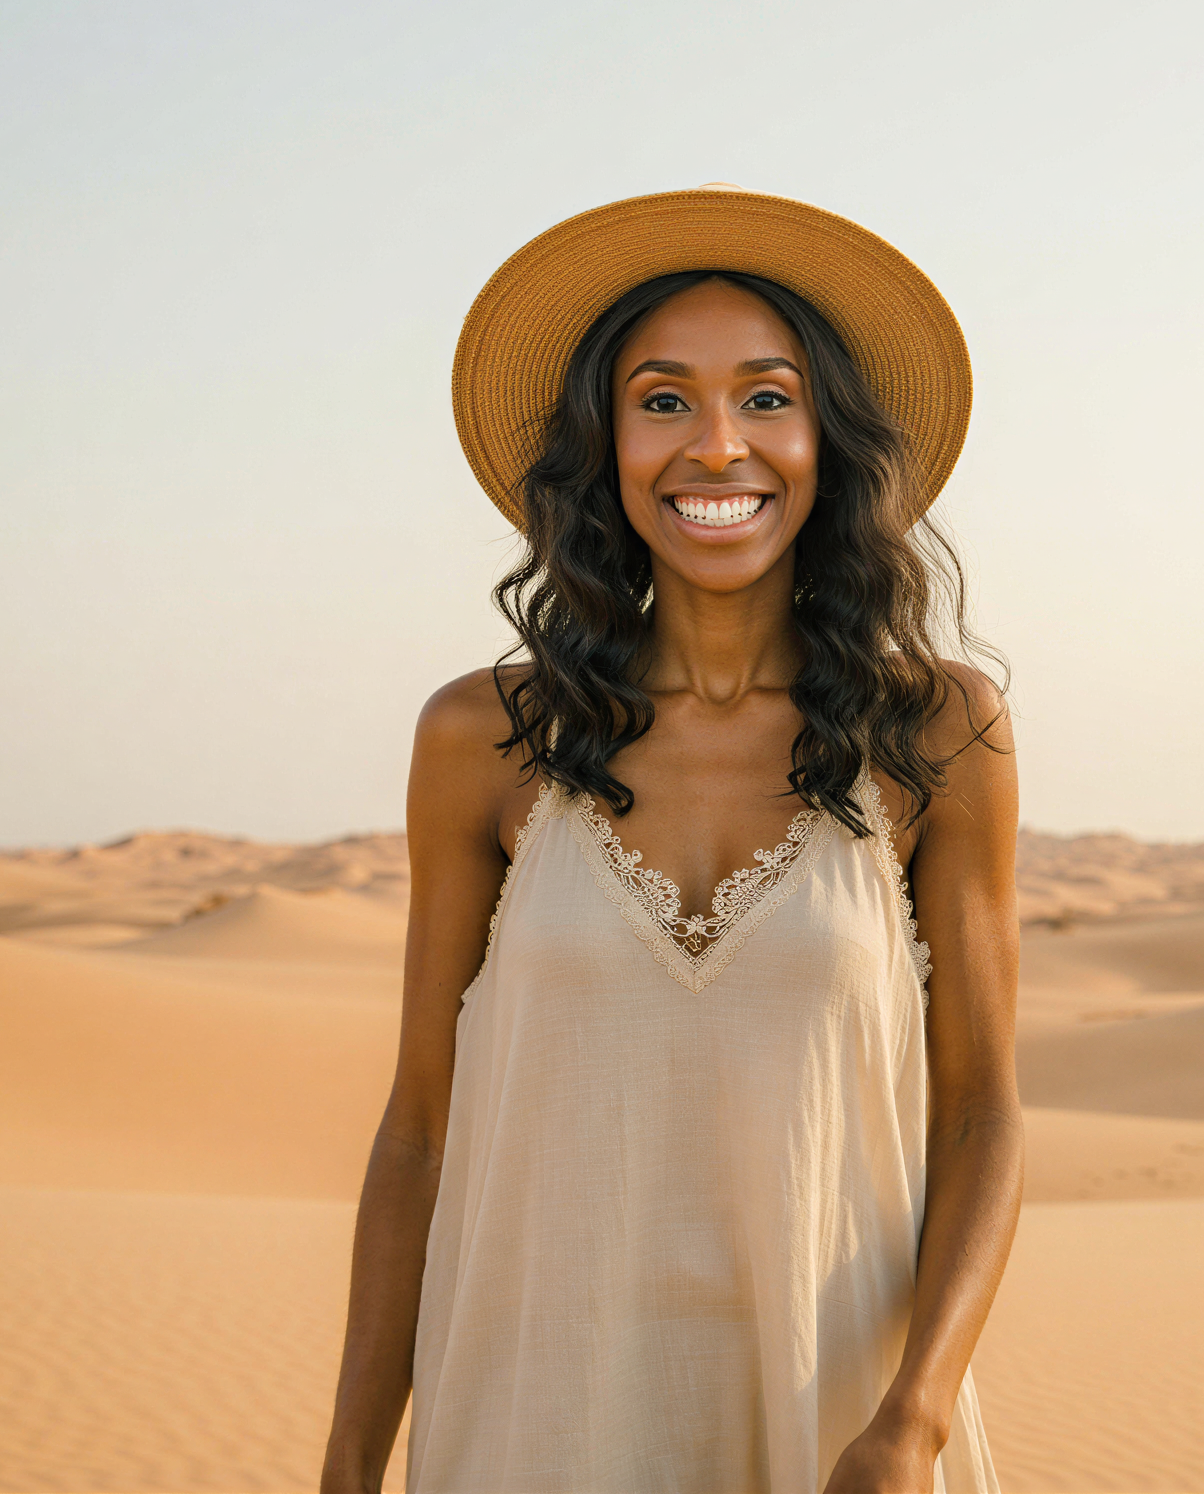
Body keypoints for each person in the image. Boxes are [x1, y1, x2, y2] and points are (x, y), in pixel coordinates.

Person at [321, 185, 1022, 1494]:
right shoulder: (478, 738)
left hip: (843, 1434)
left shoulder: (935, 734)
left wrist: (913, 1422)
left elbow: (984, 1117)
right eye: (661, 401)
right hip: (534, 1421)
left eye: (766, 398)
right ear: (606, 448)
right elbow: (420, 1130)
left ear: (829, 442)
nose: (716, 446)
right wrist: (350, 1463)